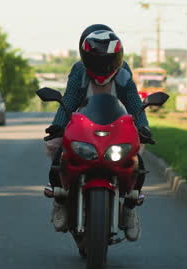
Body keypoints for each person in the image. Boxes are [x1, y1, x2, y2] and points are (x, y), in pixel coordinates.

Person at [44, 24, 153, 241]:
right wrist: (57, 126)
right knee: (59, 154)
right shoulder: (79, 72)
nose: (104, 66)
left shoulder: (123, 73)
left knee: (137, 161)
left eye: (109, 60)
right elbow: (69, 99)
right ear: (85, 58)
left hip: (115, 128)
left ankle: (130, 206)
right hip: (83, 126)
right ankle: (60, 200)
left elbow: (133, 101)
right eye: (97, 61)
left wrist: (143, 127)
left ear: (118, 57)